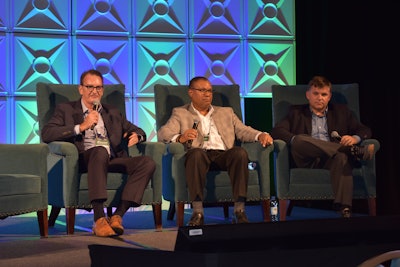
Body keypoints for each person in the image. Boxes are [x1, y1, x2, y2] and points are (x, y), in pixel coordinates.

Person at [41, 69, 156, 237]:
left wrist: (137, 135)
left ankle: (118, 216)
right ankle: (99, 218)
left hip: (111, 158)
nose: (95, 91)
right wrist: (80, 127)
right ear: (81, 89)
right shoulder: (65, 109)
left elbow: (136, 129)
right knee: (99, 151)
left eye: (99, 87)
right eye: (90, 87)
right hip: (83, 159)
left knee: (147, 162)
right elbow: (47, 133)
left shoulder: (112, 112)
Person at [157, 76, 273, 226]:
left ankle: (239, 210)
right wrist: (181, 137)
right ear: (191, 92)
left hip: (223, 155)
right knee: (196, 154)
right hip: (198, 155)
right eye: (202, 90)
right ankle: (198, 212)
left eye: (210, 91)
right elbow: (162, 134)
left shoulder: (226, 112)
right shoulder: (180, 113)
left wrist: (260, 134)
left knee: (240, 153)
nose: (207, 94)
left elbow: (243, 130)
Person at [270, 75, 374, 218]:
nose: (320, 98)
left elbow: (364, 130)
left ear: (329, 96)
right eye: (316, 94)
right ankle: (351, 151)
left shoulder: (341, 112)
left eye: (324, 94)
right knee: (299, 140)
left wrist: (354, 138)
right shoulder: (295, 112)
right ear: (308, 95)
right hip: (306, 159)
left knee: (342, 157)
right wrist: (293, 139)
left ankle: (345, 209)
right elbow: (277, 131)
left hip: (330, 160)